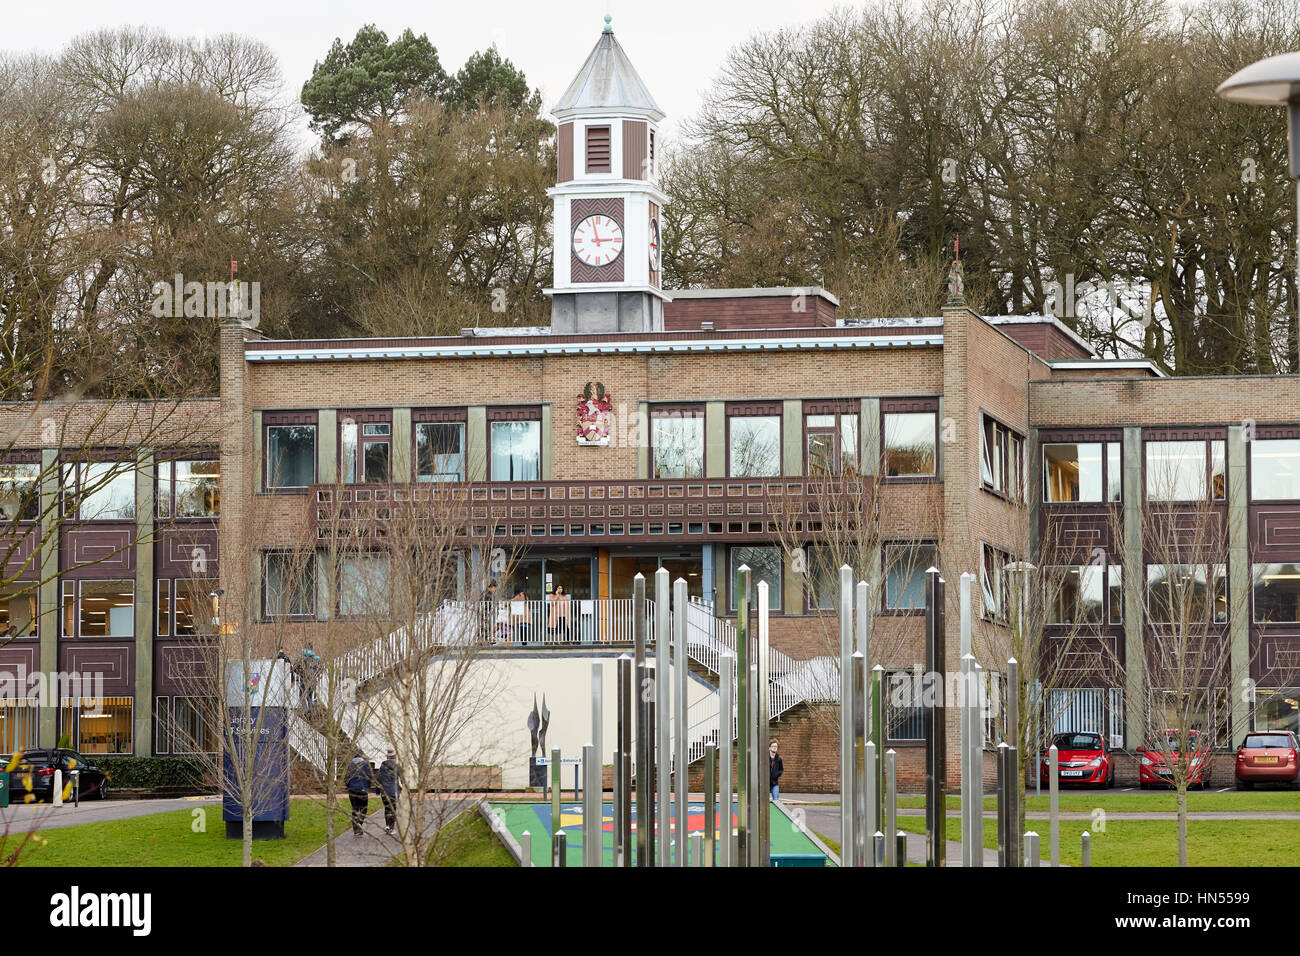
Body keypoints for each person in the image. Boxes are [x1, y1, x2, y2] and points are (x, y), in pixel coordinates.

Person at [344, 752, 373, 836]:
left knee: (355, 809)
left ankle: (355, 830)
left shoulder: (350, 765)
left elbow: (346, 777)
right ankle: (359, 823)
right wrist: (368, 785)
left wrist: (348, 786)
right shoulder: (365, 764)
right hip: (362, 789)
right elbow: (369, 776)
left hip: (352, 790)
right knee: (364, 808)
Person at [376, 749, 402, 834]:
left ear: (387, 757)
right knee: (393, 809)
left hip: (384, 792)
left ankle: (387, 825)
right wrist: (402, 788)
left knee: (387, 808)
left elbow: (378, 778)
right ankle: (391, 828)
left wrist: (377, 790)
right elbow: (402, 779)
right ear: (394, 757)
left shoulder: (383, 766)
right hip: (393, 792)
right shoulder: (397, 766)